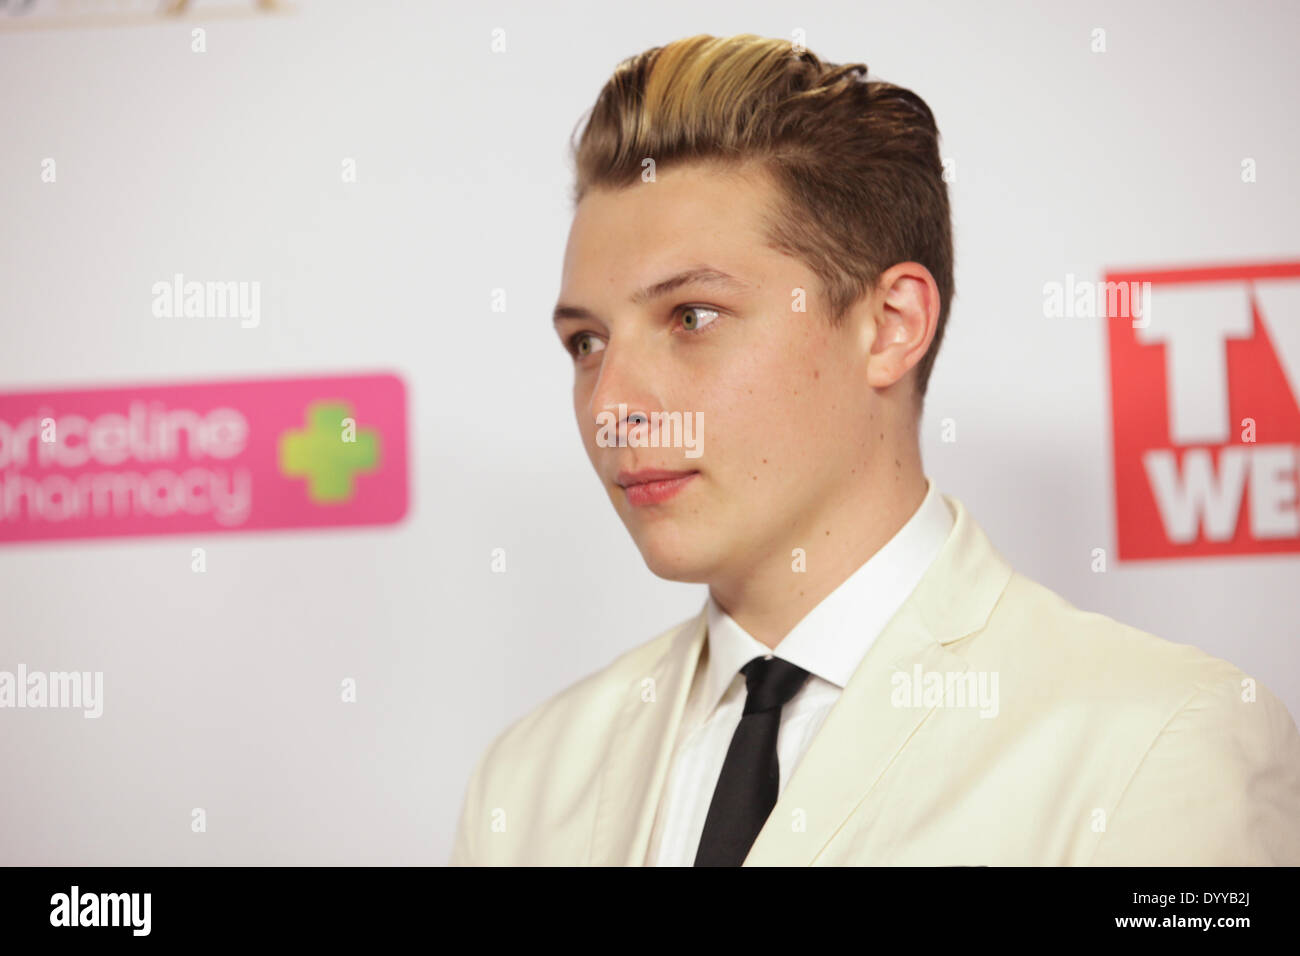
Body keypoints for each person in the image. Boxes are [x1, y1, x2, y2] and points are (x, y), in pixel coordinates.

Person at [450, 33, 1300, 865]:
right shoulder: (527, 783)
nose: (614, 407)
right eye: (586, 343)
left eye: (691, 317)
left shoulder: (1160, 742)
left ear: (891, 326)